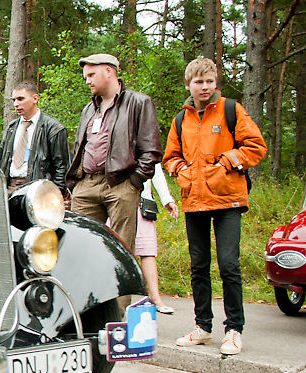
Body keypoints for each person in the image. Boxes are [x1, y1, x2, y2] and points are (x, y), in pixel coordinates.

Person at [163, 57, 267, 356]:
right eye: (199, 82)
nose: (205, 86)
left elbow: (256, 146)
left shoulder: (231, 110)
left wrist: (227, 162)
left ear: (215, 82)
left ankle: (234, 330)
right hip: (194, 201)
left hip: (227, 200)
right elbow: (170, 156)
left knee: (229, 265)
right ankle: (203, 327)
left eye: (209, 81)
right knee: (198, 267)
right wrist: (180, 170)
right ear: (189, 85)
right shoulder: (181, 120)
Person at [65, 53, 162, 256]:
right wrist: (76, 184)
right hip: (86, 186)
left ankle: (120, 290)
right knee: (79, 247)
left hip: (121, 184)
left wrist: (133, 183)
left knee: (120, 251)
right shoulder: (88, 110)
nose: (87, 81)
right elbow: (80, 147)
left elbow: (151, 150)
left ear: (109, 71)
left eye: (91, 75)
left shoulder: (139, 102)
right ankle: (84, 288)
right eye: (86, 76)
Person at [0, 81, 70, 195]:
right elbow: (2, 161)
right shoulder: (11, 128)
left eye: (20, 99)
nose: (16, 104)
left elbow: (61, 167)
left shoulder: (53, 129)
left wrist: (56, 194)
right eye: (14, 100)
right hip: (9, 188)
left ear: (35, 98)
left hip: (39, 190)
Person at [137, 164, 178, 314]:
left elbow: (156, 170)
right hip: (113, 197)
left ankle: (155, 298)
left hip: (141, 201)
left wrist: (167, 199)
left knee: (147, 250)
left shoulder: (146, 140)